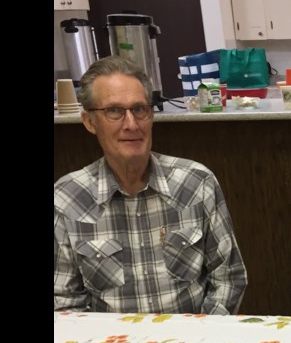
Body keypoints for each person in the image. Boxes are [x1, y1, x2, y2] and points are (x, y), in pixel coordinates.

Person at [54, 56, 247, 314]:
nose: (131, 124)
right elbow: (65, 304)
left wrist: (204, 337)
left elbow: (229, 278)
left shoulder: (196, 182)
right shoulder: (67, 198)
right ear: (90, 122)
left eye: (139, 109)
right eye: (114, 111)